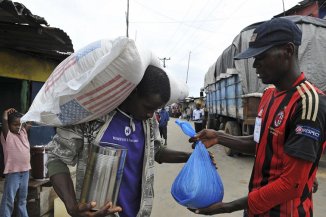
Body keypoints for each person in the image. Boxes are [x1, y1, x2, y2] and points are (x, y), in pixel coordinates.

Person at [189, 18, 326, 217]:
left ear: (288, 51)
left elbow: (292, 184)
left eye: (261, 56)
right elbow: (260, 143)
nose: (255, 65)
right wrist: (219, 136)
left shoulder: (308, 103)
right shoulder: (269, 95)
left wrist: (226, 207)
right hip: (256, 208)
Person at [47, 65, 191, 217]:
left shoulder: (148, 122)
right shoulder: (91, 117)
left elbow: (155, 151)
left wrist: (189, 157)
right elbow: (56, 158)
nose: (151, 115)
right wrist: (72, 206)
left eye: (155, 110)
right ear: (132, 92)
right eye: (148, 107)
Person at [0, 108, 31, 217]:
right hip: (13, 173)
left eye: (20, 124)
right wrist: (5, 115)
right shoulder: (7, 135)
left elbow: (29, 122)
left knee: (22, 200)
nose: (18, 127)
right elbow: (4, 121)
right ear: (8, 125)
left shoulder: (22, 132)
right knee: (9, 200)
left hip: (26, 172)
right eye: (15, 124)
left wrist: (31, 114)